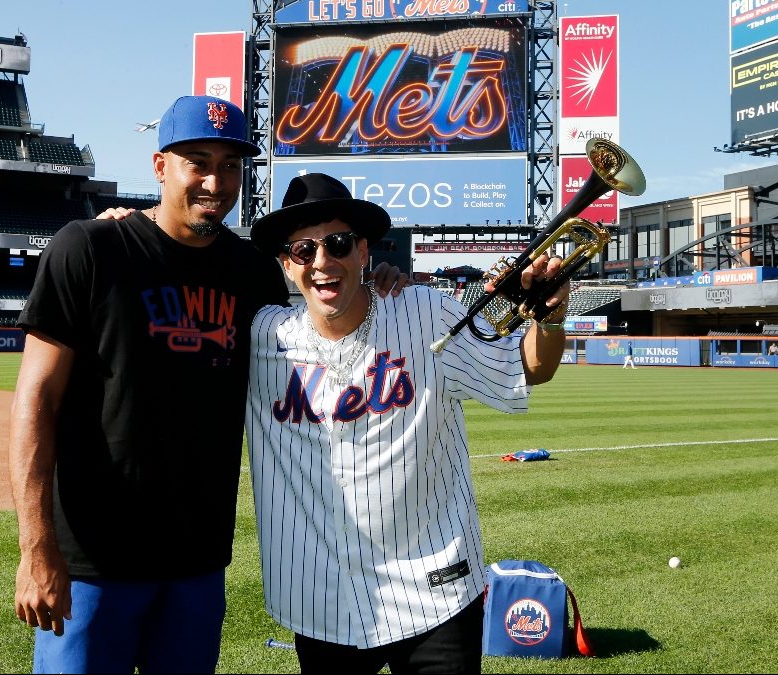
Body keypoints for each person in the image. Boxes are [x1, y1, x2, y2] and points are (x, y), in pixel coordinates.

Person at [8, 96, 406, 675]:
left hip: (196, 563)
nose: (215, 181)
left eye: (230, 165)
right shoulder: (91, 249)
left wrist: (380, 284)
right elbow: (35, 401)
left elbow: (327, 325)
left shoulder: (252, 274)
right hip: (93, 560)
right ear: (160, 165)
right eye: (197, 161)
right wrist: (35, 548)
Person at [243, 173, 572, 674]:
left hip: (433, 594)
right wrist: (122, 231)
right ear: (287, 266)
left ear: (363, 250)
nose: (322, 262)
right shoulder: (263, 336)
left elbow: (528, 367)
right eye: (303, 250)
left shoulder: (428, 314)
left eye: (337, 244)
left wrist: (548, 317)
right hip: (321, 600)